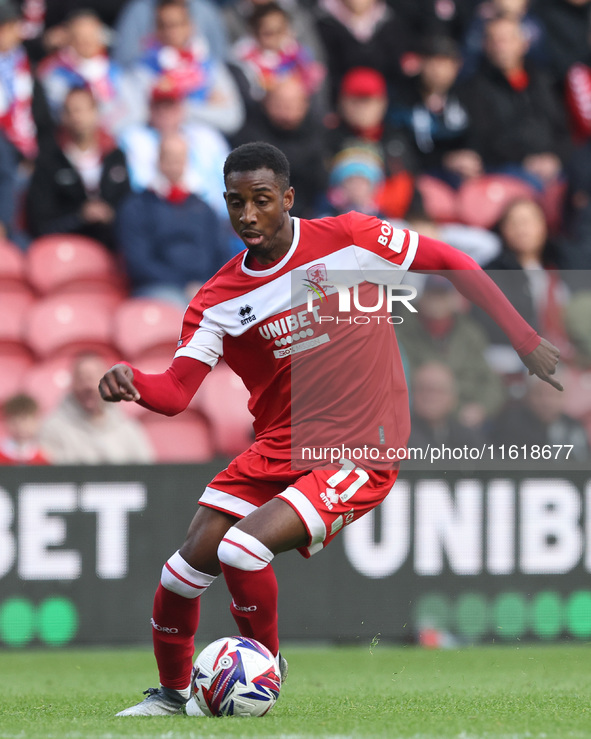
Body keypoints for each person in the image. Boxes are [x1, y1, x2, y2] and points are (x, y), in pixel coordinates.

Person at [98, 141, 561, 717]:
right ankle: (169, 697)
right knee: (182, 570)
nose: (248, 216)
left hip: (360, 446)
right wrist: (133, 381)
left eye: (262, 201)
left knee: (243, 550)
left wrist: (522, 340)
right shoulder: (216, 301)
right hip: (278, 446)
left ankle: (264, 672)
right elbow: (175, 392)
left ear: (287, 199)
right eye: (236, 203)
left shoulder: (349, 239)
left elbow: (452, 261)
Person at [115, 132, 229, 308]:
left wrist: (206, 286)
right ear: (158, 160)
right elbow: (138, 262)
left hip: (205, 288)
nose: (175, 164)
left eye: (180, 158)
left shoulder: (204, 208)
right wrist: (184, 285)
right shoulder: (137, 207)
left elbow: (221, 255)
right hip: (158, 289)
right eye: (169, 157)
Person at [25, 85, 131, 250]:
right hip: (66, 247)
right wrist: (80, 216)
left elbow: (128, 205)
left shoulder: (115, 156)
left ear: (95, 112)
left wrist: (110, 214)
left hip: (113, 244)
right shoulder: (50, 160)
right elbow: (40, 219)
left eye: (81, 110)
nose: (76, 117)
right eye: (70, 111)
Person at [41, 352, 154, 464]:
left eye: (94, 378)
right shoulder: (52, 429)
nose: (88, 386)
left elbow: (146, 473)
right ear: (72, 384)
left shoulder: (128, 429)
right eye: (82, 379)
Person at [0, 393, 50, 465]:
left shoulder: (41, 456)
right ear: (7, 421)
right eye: (15, 422)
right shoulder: (2, 454)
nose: (21, 427)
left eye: (26, 422)